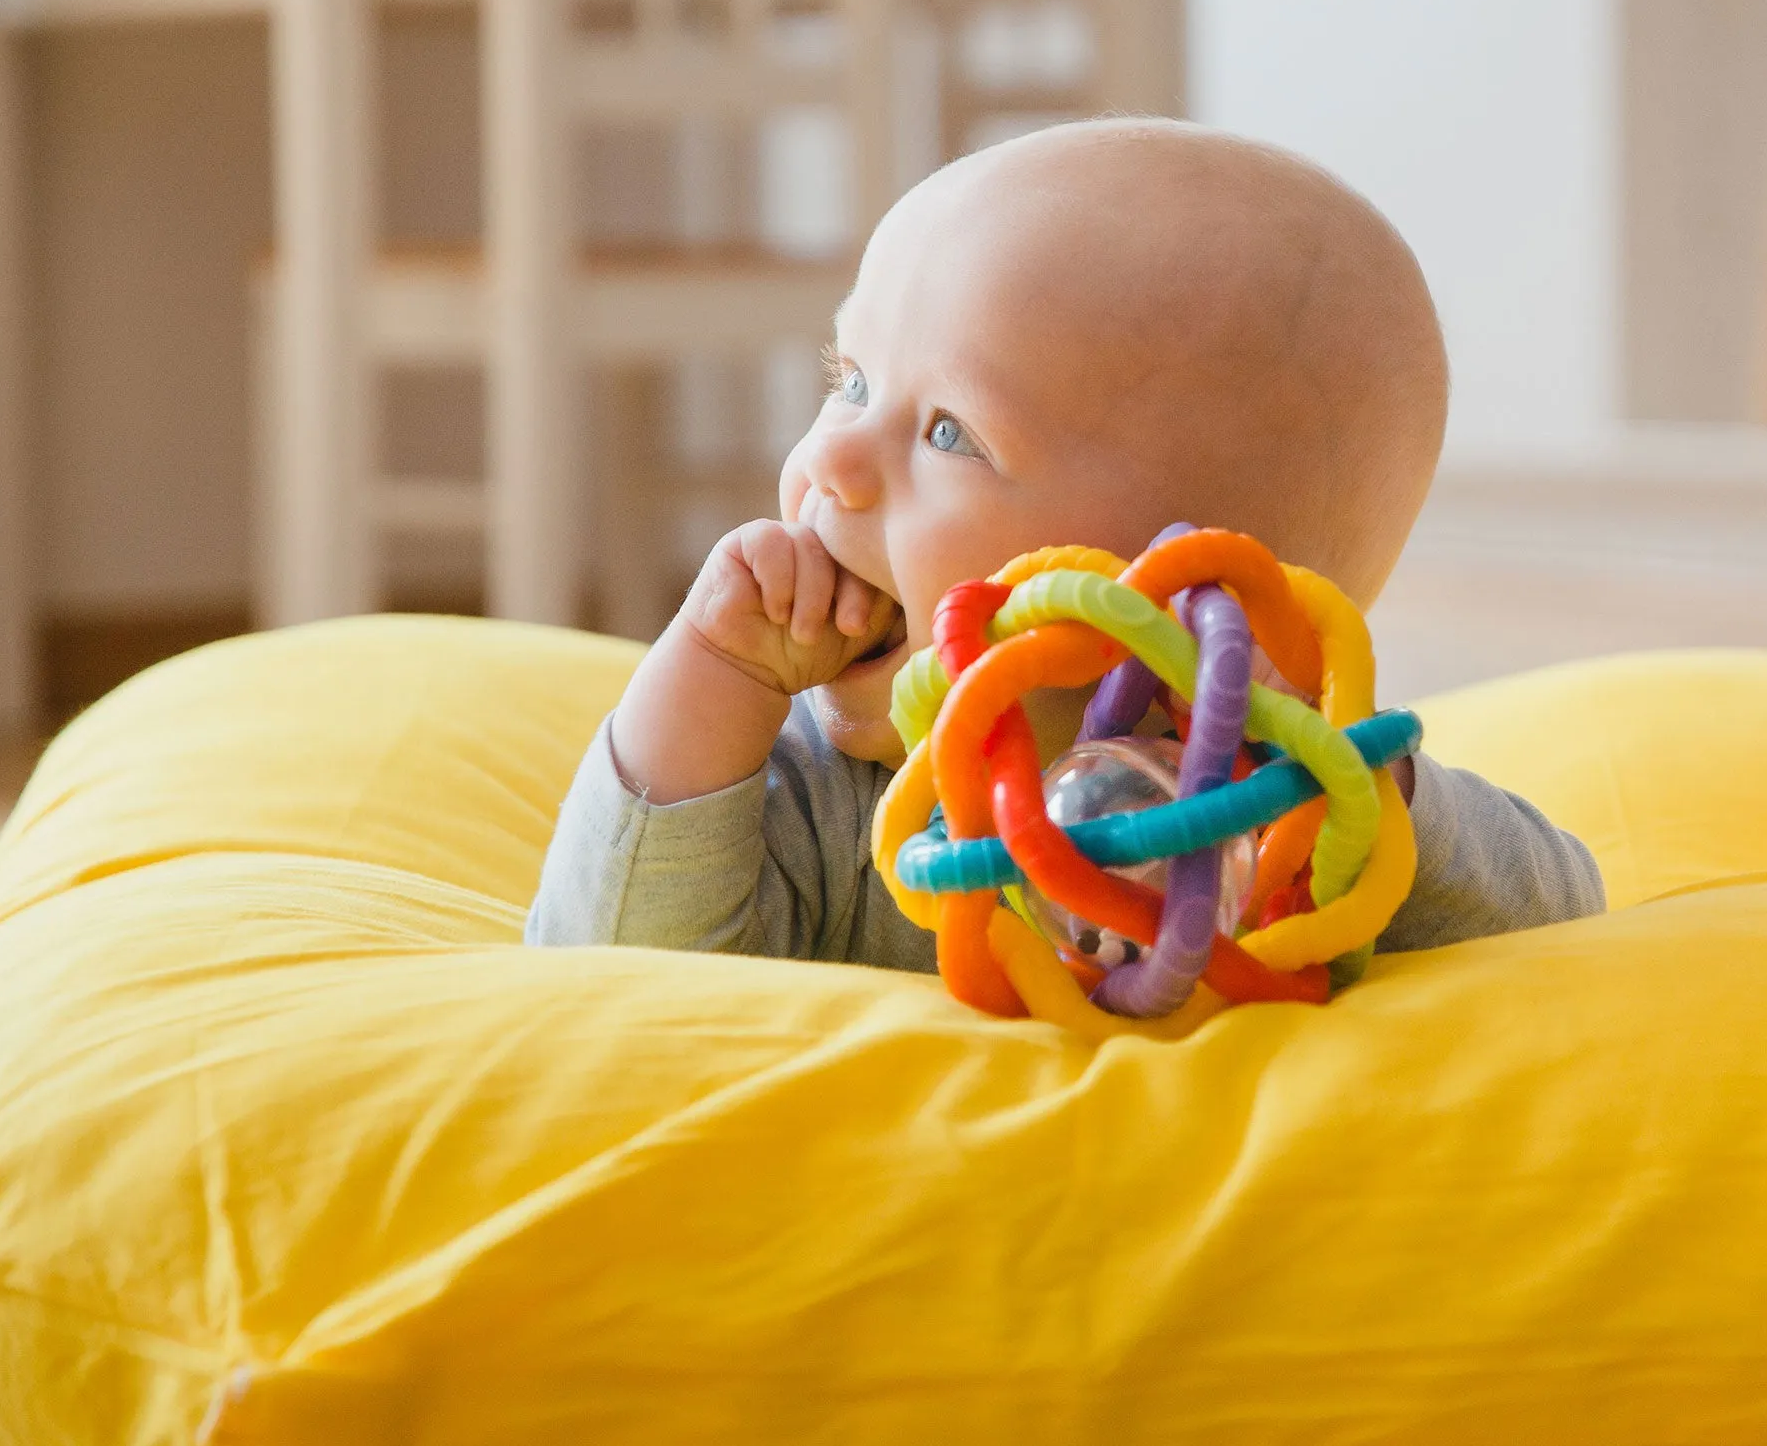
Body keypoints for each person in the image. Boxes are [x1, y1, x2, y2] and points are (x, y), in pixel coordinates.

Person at [525, 120, 1602, 967]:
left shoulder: (1276, 813)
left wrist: (1371, 787)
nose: (832, 460)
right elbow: (611, 972)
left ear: (1200, 579)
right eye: (847, 381)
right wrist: (708, 682)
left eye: (949, 431)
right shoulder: (824, 784)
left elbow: (1556, 914)